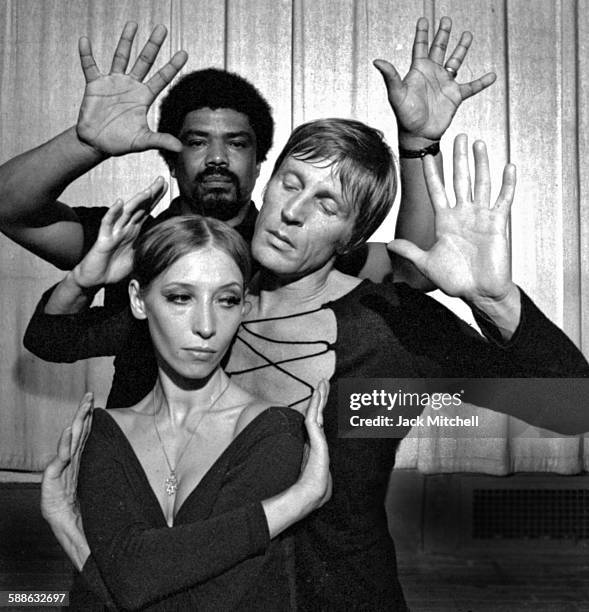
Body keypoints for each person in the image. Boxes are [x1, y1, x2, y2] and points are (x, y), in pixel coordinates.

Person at [43, 118, 589, 611]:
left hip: (338, 596)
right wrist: (84, 279)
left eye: (328, 205)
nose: (293, 212)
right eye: (291, 181)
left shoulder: (390, 325)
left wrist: (495, 301)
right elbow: (52, 338)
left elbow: (570, 406)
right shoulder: (202, 303)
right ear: (268, 179)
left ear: (352, 236)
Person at [20, 17, 499, 407]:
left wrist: (417, 145)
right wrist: (85, 144)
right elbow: (11, 212)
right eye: (196, 141)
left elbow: (412, 272)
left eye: (237, 143)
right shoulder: (128, 237)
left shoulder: (292, 250)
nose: (216, 158)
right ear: (170, 152)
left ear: (261, 161)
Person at [45, 213, 332, 610]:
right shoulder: (105, 431)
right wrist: (294, 502)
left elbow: (189, 603)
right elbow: (132, 584)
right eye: (181, 297)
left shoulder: (272, 432)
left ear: (243, 307)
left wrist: (73, 537)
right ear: (137, 300)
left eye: (227, 300)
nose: (206, 325)